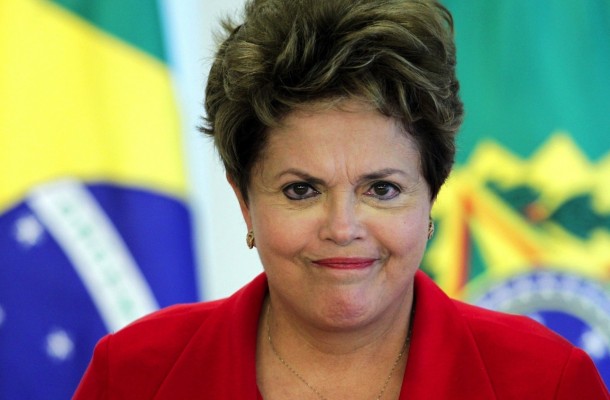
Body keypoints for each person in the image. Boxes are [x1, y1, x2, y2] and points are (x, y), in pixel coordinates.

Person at [74, 0, 610, 398]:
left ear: (432, 194)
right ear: (244, 201)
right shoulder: (135, 375)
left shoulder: (547, 381)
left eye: (382, 189)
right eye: (301, 190)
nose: (342, 227)